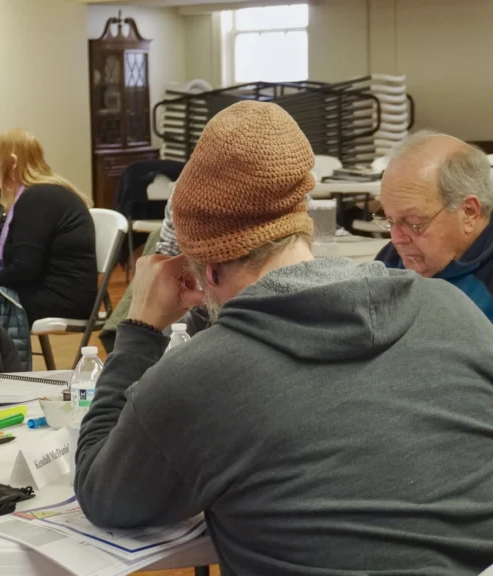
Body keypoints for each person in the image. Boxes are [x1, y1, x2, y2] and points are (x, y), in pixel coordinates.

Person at [74, 102, 493, 574]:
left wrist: (140, 330)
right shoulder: (454, 311)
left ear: (206, 269)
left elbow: (101, 493)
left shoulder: (201, 378)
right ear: (303, 224)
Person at [0, 128, 97, 322]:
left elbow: (25, 269)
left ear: (12, 163)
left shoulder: (38, 198)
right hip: (53, 292)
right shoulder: (40, 194)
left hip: (61, 300)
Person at [375, 130, 493, 320]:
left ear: (469, 212)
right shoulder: (390, 260)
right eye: (390, 221)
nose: (396, 239)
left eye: (413, 222)